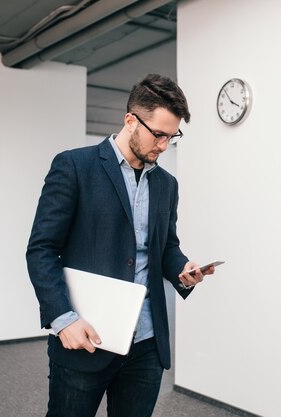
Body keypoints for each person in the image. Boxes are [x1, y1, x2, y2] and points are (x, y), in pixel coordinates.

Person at [26, 73, 215, 417]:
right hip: (86, 336)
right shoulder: (74, 166)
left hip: (146, 343)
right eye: (158, 134)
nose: (163, 146)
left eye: (172, 138)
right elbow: (41, 249)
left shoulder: (167, 185)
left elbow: (166, 246)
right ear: (131, 120)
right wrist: (62, 319)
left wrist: (182, 269)